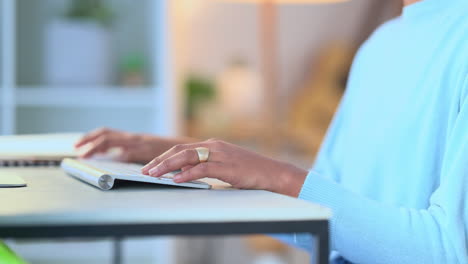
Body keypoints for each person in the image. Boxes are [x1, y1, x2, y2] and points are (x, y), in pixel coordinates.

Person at [75, 0, 467, 262]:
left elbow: (450, 249)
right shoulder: (378, 46)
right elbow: (328, 211)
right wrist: (198, 169)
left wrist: (278, 175)